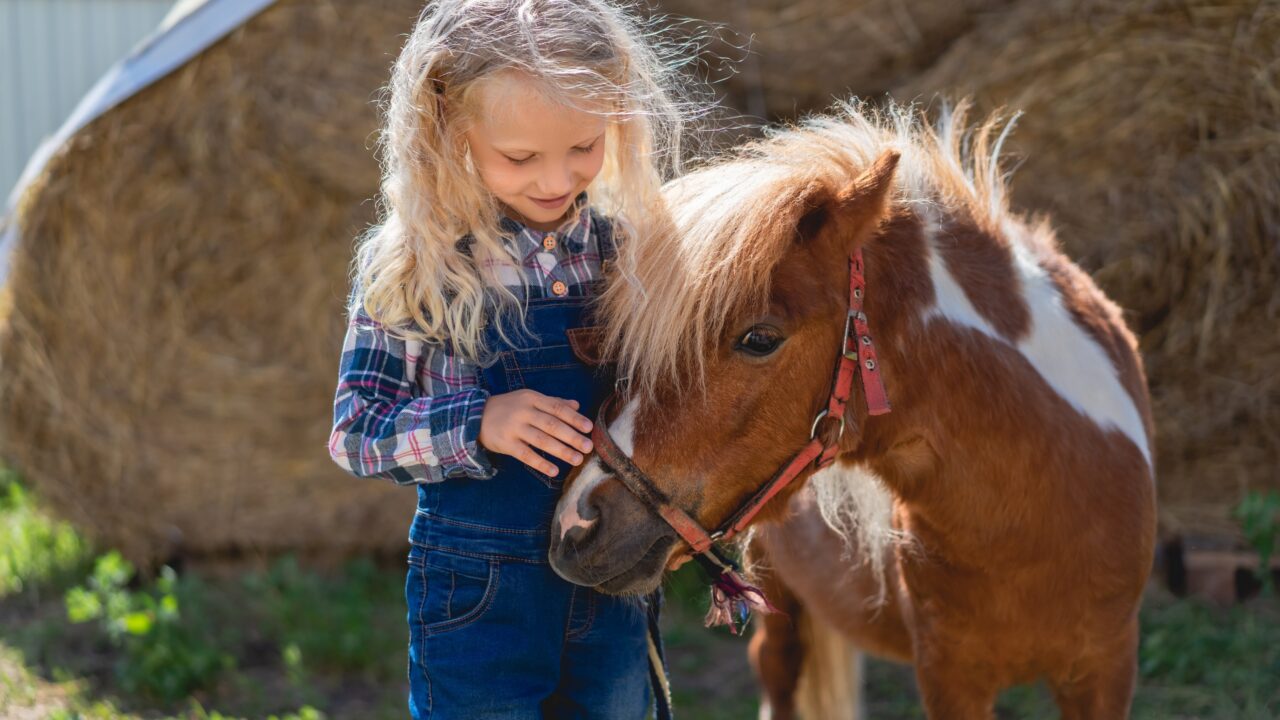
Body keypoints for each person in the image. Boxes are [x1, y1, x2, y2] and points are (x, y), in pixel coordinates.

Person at [327, 1, 702, 717]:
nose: (557, 180)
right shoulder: (417, 264)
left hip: (608, 580)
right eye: (521, 158)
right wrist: (478, 423)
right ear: (448, 130)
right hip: (478, 596)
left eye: (585, 147)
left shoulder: (626, 251)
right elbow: (355, 431)